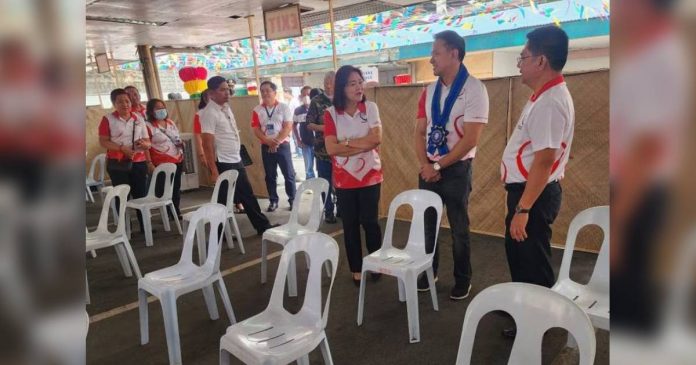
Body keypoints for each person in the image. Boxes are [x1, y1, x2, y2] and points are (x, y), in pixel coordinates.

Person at [500, 25, 574, 337]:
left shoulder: (549, 102)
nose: (519, 62)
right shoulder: (543, 96)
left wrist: (524, 209)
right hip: (528, 194)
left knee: (532, 261)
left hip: (533, 196)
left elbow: (544, 161)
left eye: (523, 56)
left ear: (540, 61)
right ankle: (526, 315)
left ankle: (538, 325)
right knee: (521, 256)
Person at [413, 30, 489, 300]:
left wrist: (438, 166)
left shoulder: (475, 89)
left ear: (454, 53)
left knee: (459, 228)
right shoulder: (429, 90)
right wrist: (425, 164)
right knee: (428, 227)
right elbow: (420, 131)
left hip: (456, 170)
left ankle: (462, 278)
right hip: (429, 168)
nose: (431, 58)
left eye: (436, 52)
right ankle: (429, 270)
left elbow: (470, 139)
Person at [324, 65, 383, 286]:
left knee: (370, 222)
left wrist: (346, 144)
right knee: (349, 224)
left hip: (370, 175)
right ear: (341, 87)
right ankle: (356, 268)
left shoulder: (371, 108)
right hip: (344, 179)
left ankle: (376, 262)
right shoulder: (330, 114)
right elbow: (331, 149)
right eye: (352, 83)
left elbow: (376, 139)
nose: (359, 87)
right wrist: (361, 145)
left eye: (360, 82)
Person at [199, 76, 275, 235]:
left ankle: (262, 226)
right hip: (223, 162)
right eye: (222, 90)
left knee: (246, 194)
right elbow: (207, 143)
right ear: (211, 93)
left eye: (227, 89)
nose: (227, 93)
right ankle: (217, 234)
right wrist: (213, 170)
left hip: (235, 158)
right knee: (223, 200)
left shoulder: (226, 108)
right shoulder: (209, 113)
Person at [98, 88, 151, 231]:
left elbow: (147, 141)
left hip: (138, 162)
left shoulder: (138, 118)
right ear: (114, 103)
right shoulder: (108, 119)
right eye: (120, 101)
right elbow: (103, 142)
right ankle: (124, 228)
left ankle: (145, 226)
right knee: (121, 196)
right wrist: (122, 148)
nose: (125, 104)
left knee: (141, 195)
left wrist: (144, 144)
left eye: (127, 101)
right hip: (118, 163)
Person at [251, 81, 297, 212]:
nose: (265, 93)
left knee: (288, 174)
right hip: (266, 146)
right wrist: (267, 141)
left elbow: (288, 126)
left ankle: (293, 199)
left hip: (283, 145)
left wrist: (276, 141)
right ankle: (273, 201)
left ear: (275, 93)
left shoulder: (283, 107)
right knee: (270, 175)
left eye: (267, 90)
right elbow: (256, 128)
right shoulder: (257, 110)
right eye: (262, 91)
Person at [144, 98, 184, 217]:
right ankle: (166, 213)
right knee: (164, 189)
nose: (161, 110)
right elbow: (146, 147)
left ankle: (175, 211)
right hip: (161, 162)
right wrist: (149, 162)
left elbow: (177, 137)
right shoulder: (148, 126)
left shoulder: (170, 123)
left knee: (176, 187)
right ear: (151, 111)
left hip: (177, 159)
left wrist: (181, 143)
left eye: (163, 108)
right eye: (158, 108)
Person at [307, 72, 338, 223]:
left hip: (342, 151)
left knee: (340, 183)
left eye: (332, 81)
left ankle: (342, 209)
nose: (328, 84)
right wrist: (325, 128)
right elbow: (309, 124)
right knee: (325, 182)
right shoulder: (316, 101)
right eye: (326, 81)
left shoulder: (343, 100)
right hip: (322, 150)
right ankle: (329, 211)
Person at [293, 85, 316, 179]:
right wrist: (298, 140)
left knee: (321, 166)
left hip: (319, 143)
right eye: (304, 95)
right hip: (306, 143)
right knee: (309, 168)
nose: (306, 97)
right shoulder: (298, 110)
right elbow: (293, 125)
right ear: (301, 96)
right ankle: (311, 184)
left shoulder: (317, 108)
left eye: (308, 94)